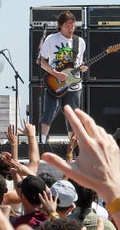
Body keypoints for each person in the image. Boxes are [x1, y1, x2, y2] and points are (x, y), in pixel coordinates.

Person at [36, 11, 87, 145]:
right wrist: (55, 73)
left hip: (74, 85)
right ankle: (42, 144)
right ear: (60, 26)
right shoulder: (52, 39)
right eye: (67, 26)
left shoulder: (79, 42)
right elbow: (41, 61)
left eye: (72, 26)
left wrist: (82, 67)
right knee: (49, 113)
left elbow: (79, 62)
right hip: (55, 83)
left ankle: (72, 147)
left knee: (73, 117)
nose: (70, 29)